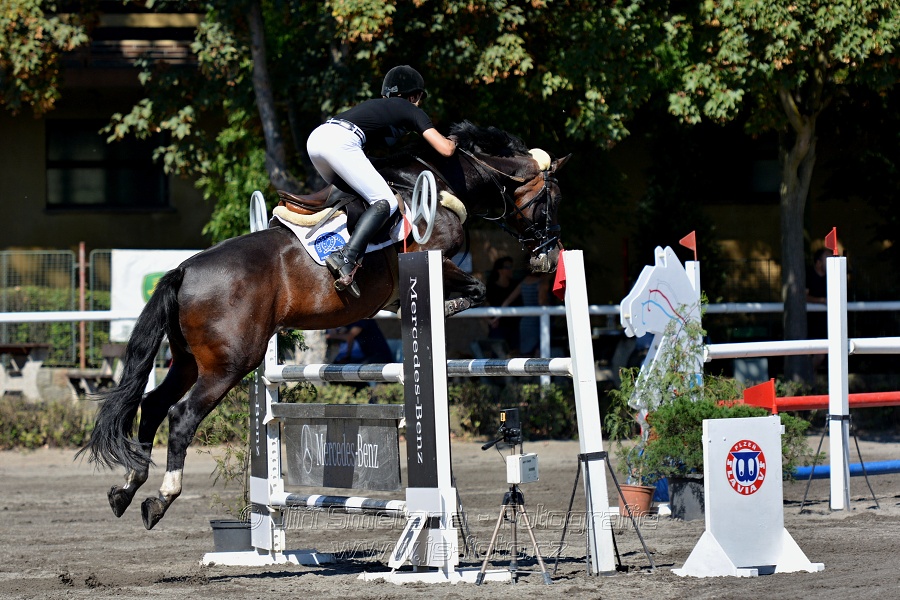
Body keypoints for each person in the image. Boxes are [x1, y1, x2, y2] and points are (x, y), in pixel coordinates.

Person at [306, 65, 457, 298]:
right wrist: (455, 139)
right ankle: (346, 257)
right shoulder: (408, 107)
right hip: (340, 142)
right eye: (419, 99)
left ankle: (333, 251)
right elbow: (445, 149)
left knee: (354, 199)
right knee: (386, 201)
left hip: (317, 139)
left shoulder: (376, 109)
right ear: (414, 96)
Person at [500, 272, 550, 357]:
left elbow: (508, 300)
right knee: (540, 353)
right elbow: (541, 302)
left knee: (526, 354)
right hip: (538, 321)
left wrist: (496, 317)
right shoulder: (542, 283)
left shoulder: (524, 282)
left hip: (525, 322)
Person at [485, 256, 520, 352]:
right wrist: (490, 321)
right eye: (508, 267)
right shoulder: (491, 287)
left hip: (515, 327)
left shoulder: (515, 286)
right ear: (499, 270)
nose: (511, 270)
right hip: (498, 327)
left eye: (511, 267)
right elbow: (484, 306)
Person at [328, 320, 394, 365]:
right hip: (368, 356)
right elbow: (349, 339)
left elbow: (350, 336)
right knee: (338, 364)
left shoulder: (363, 317)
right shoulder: (352, 319)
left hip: (380, 357)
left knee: (355, 370)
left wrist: (329, 336)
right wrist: (347, 356)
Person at [806, 247, 828, 371]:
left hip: (826, 322)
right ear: (818, 263)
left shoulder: (832, 276)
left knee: (822, 355)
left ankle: (810, 377)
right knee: (816, 354)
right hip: (810, 322)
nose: (831, 261)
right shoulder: (809, 275)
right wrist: (822, 301)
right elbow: (804, 297)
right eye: (827, 258)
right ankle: (808, 377)